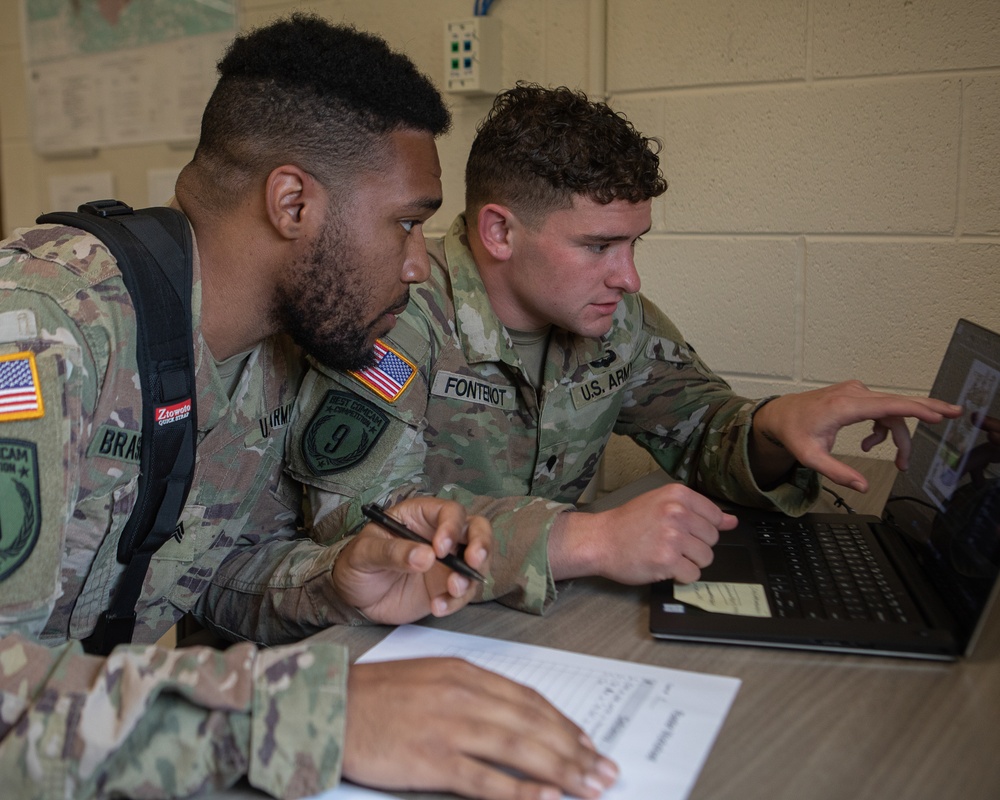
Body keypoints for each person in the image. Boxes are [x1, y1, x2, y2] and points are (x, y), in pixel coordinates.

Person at [0, 27, 617, 800]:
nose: (421, 262)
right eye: (406, 221)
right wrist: (305, 717)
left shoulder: (274, 350)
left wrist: (334, 582)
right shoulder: (44, 336)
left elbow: (206, 571)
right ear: (292, 203)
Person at [285, 83, 963, 614]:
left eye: (634, 244)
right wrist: (587, 539)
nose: (629, 278)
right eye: (599, 246)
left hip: (529, 626)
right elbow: (354, 522)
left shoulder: (615, 319)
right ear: (499, 232)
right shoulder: (394, 311)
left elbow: (705, 433)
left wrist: (773, 429)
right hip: (386, 647)